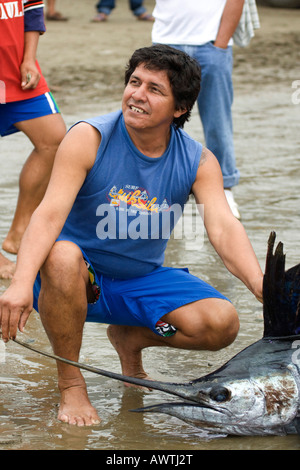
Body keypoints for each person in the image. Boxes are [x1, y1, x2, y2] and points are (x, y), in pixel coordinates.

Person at [0, 45, 263, 427]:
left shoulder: (198, 160)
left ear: (179, 108)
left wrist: (261, 287)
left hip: (138, 279)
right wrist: (21, 284)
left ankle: (130, 338)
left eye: (154, 89)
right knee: (61, 255)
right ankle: (71, 384)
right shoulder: (89, 137)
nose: (137, 94)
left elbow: (223, 227)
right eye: (134, 82)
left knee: (221, 322)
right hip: (70, 280)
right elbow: (49, 214)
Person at [151, 0, 244, 219]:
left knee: (217, 120)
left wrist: (220, 44)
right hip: (166, 40)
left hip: (211, 42)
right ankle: (160, 190)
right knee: (159, 121)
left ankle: (224, 188)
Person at [0, 0, 66, 278]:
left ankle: (19, 230)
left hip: (16, 67)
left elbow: (32, 10)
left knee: (56, 140)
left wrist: (29, 58)